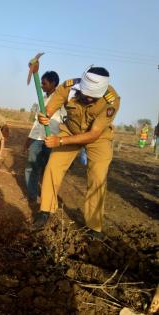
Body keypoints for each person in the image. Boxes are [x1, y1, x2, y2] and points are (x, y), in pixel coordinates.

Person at [33, 66, 120, 239]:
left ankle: (94, 226)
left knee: (98, 177)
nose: (88, 98)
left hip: (99, 138)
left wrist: (60, 141)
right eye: (86, 93)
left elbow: (93, 134)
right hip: (70, 130)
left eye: (92, 97)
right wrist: (43, 116)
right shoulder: (68, 87)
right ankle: (45, 211)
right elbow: (48, 110)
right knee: (53, 167)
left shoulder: (112, 100)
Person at [23, 71, 66, 203]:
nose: (41, 85)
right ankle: (32, 196)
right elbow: (37, 122)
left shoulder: (62, 100)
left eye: (44, 83)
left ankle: (48, 199)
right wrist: (28, 140)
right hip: (37, 139)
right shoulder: (43, 99)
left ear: (53, 83)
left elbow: (65, 121)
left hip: (52, 139)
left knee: (50, 170)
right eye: (41, 83)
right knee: (31, 166)